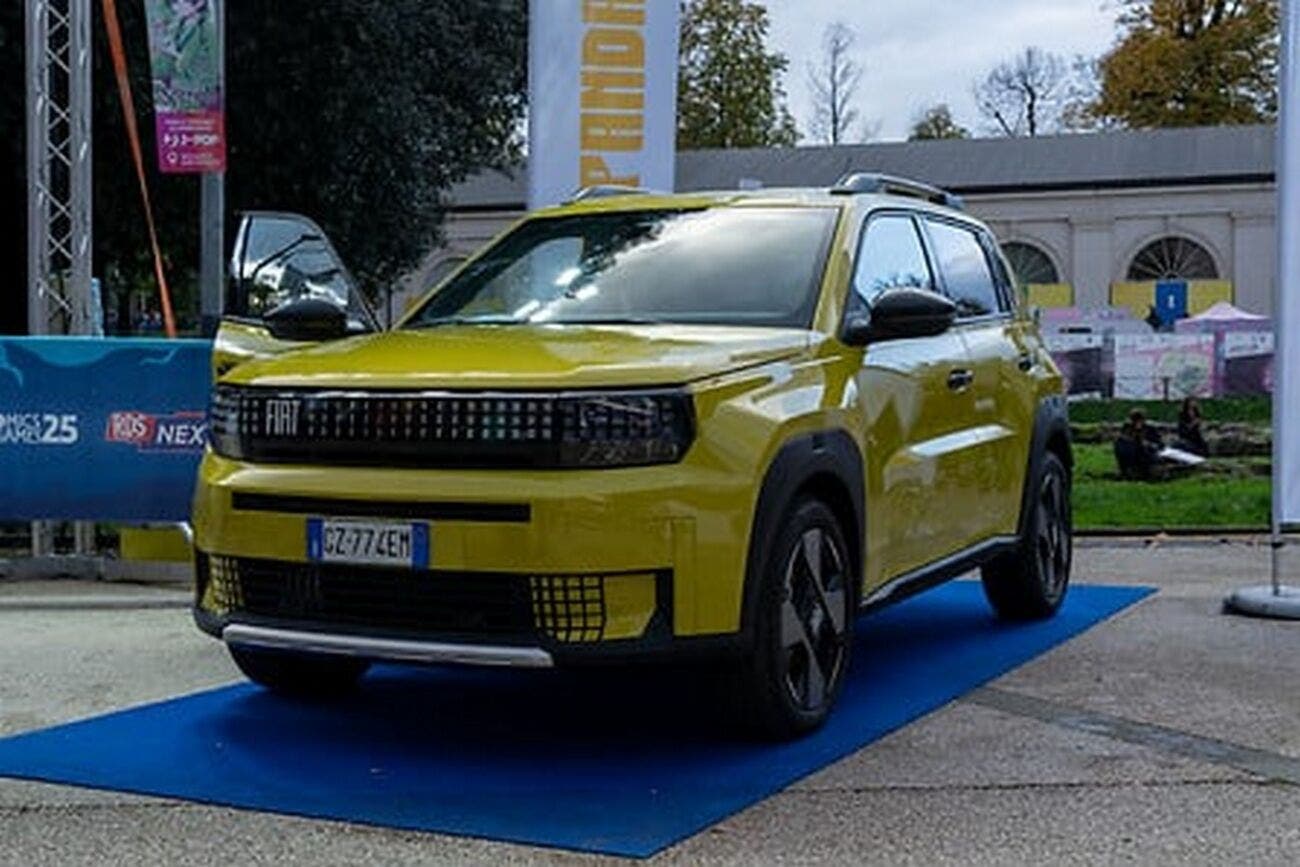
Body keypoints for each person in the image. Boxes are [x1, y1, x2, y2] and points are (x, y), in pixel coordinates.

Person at [1114, 409, 1163, 480]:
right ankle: (1126, 468)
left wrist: (1148, 443)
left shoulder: (1150, 429)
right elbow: (1122, 438)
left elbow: (1159, 444)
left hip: (1147, 453)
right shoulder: (1127, 427)